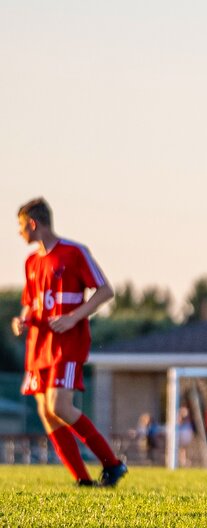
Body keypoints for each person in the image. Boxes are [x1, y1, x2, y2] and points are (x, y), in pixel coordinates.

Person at [11, 198, 128, 487]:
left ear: (34, 224)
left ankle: (112, 464)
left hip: (66, 344)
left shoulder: (74, 252)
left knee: (59, 406)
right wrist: (22, 320)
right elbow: (31, 303)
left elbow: (105, 291)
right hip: (39, 345)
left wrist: (74, 317)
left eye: (21, 226)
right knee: (46, 412)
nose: (20, 233)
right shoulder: (31, 262)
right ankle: (82, 480)